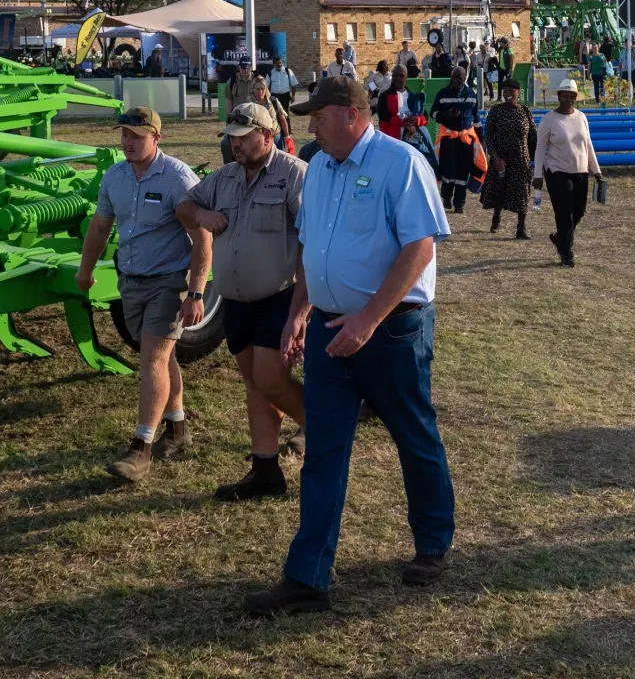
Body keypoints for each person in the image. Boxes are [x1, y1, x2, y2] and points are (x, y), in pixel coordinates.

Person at [244, 74, 454, 616]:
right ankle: (307, 578)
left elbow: (420, 248)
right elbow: (313, 248)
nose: (309, 122)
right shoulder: (318, 171)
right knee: (324, 449)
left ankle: (433, 544)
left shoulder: (400, 163)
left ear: (352, 114)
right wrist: (298, 313)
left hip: (391, 331)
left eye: (318, 113)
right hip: (329, 331)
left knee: (414, 435)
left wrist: (368, 318)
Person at [178, 102, 309, 502]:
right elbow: (183, 206)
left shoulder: (292, 175)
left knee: (270, 379)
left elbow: (310, 242)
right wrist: (202, 215)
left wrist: (301, 310)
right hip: (236, 302)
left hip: (278, 298)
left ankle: (326, 424)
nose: (235, 146)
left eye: (243, 138)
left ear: (267, 135)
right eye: (231, 138)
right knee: (255, 385)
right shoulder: (224, 179)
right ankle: (265, 471)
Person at [75, 106, 212, 482]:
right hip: (130, 280)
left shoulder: (177, 179)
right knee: (160, 356)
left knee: (152, 358)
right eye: (124, 135)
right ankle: (178, 426)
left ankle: (141, 447)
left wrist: (196, 292)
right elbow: (101, 226)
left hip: (168, 281)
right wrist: (85, 272)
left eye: (136, 137)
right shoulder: (114, 176)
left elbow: (202, 237)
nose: (128, 143)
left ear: (157, 137)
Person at [533, 80, 602, 267]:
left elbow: (588, 145)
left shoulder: (581, 117)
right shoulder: (549, 119)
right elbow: (540, 148)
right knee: (564, 213)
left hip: (580, 171)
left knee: (579, 211)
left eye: (572, 96)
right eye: (565, 96)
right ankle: (566, 252)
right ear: (559, 97)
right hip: (557, 172)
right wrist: (537, 174)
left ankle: (559, 237)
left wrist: (596, 170)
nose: (569, 99)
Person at [481, 77, 535, 238]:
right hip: (501, 158)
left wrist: (534, 157)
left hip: (521, 158)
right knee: (499, 189)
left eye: (511, 90)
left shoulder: (525, 111)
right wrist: (495, 156)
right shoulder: (496, 111)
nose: (508, 94)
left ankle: (521, 227)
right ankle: (496, 219)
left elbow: (533, 135)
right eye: (504, 91)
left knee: (522, 192)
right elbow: (489, 135)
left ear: (518, 92)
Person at [431, 66, 481, 213]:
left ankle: (460, 203)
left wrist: (481, 138)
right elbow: (433, 113)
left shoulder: (471, 93)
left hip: (466, 140)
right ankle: (446, 197)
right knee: (449, 170)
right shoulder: (442, 93)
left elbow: (476, 118)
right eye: (453, 77)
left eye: (459, 77)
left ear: (464, 78)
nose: (455, 80)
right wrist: (446, 115)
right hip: (449, 138)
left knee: (463, 171)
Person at [374, 66, 410, 141]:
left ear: (406, 77)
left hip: (409, 140)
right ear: (392, 77)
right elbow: (383, 115)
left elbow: (423, 115)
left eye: (401, 76)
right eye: (395, 76)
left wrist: (416, 120)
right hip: (390, 141)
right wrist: (404, 121)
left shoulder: (412, 96)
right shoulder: (384, 96)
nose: (398, 78)